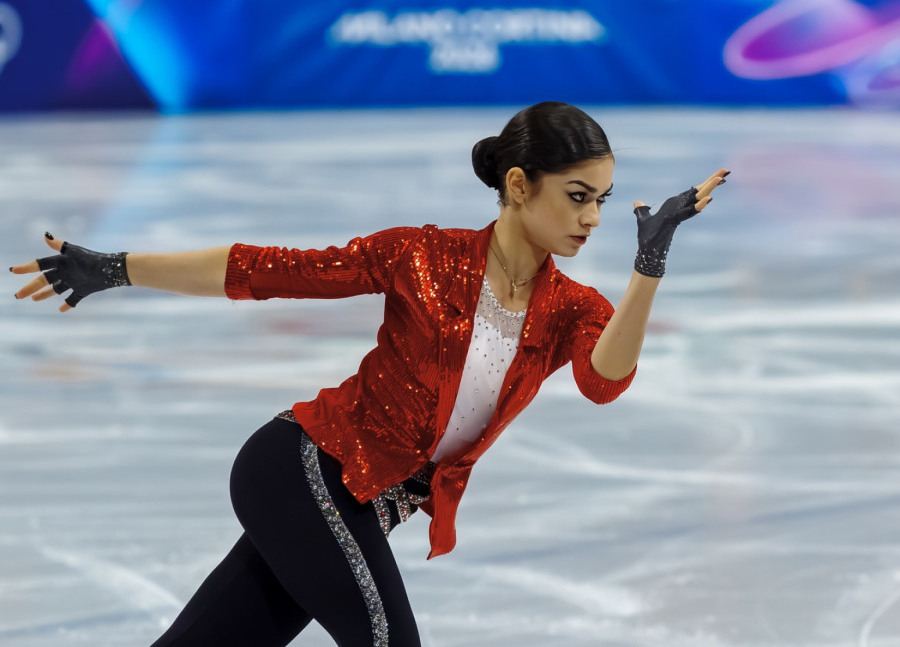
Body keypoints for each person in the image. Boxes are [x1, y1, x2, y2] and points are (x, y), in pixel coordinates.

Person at [11, 101, 728, 646]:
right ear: (518, 185)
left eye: (602, 199)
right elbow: (267, 271)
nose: (595, 218)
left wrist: (648, 268)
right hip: (304, 468)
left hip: (358, 504)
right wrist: (115, 268)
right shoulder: (420, 256)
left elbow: (605, 380)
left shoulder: (571, 307)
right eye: (578, 196)